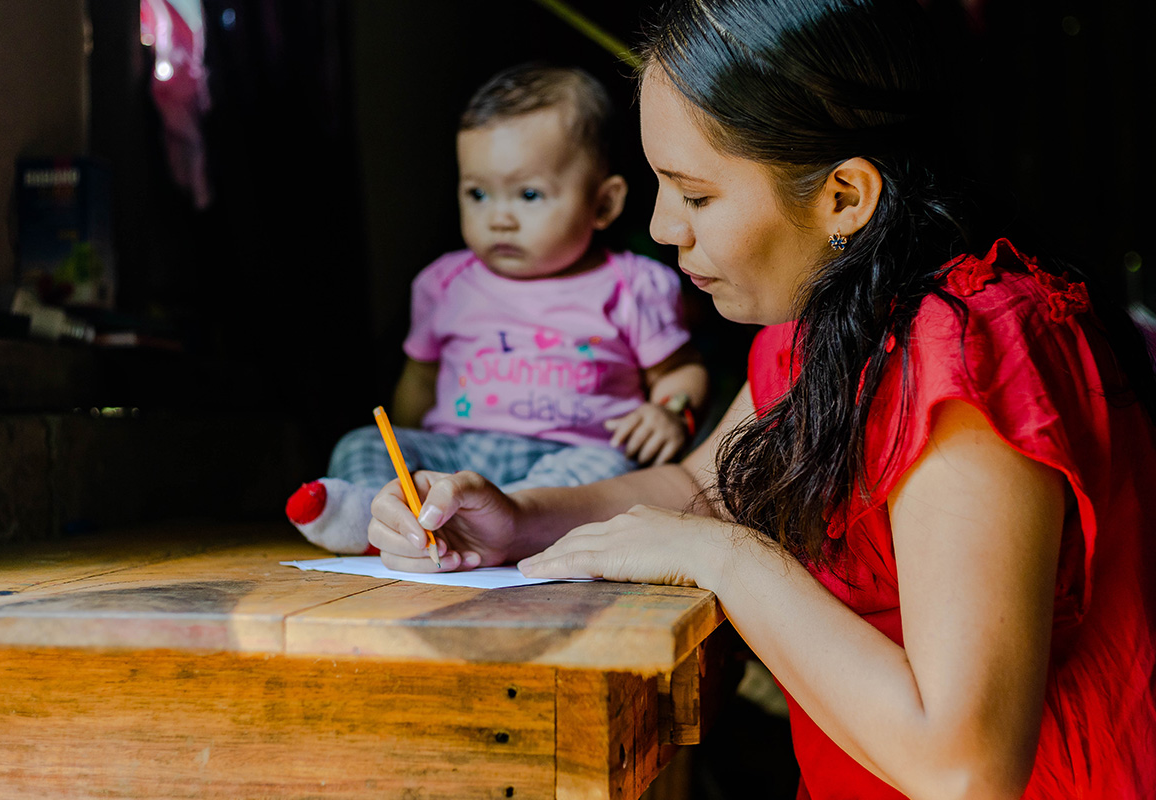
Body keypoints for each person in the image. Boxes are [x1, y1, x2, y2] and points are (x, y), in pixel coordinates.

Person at [367, 1, 1156, 798]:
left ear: (846, 196)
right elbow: (694, 490)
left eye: (696, 196)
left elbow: (965, 770)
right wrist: (517, 516)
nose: (662, 227)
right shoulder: (819, 324)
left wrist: (723, 557)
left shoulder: (968, 343)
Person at [287, 63, 708, 554]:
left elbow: (680, 370)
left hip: (572, 458)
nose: (499, 217)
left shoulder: (632, 284)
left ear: (603, 204)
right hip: (461, 451)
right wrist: (412, 453)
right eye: (478, 194)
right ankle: (379, 519)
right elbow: (421, 380)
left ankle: (507, 527)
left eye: (529, 194)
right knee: (363, 443)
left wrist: (671, 411)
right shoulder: (445, 284)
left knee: (614, 468)